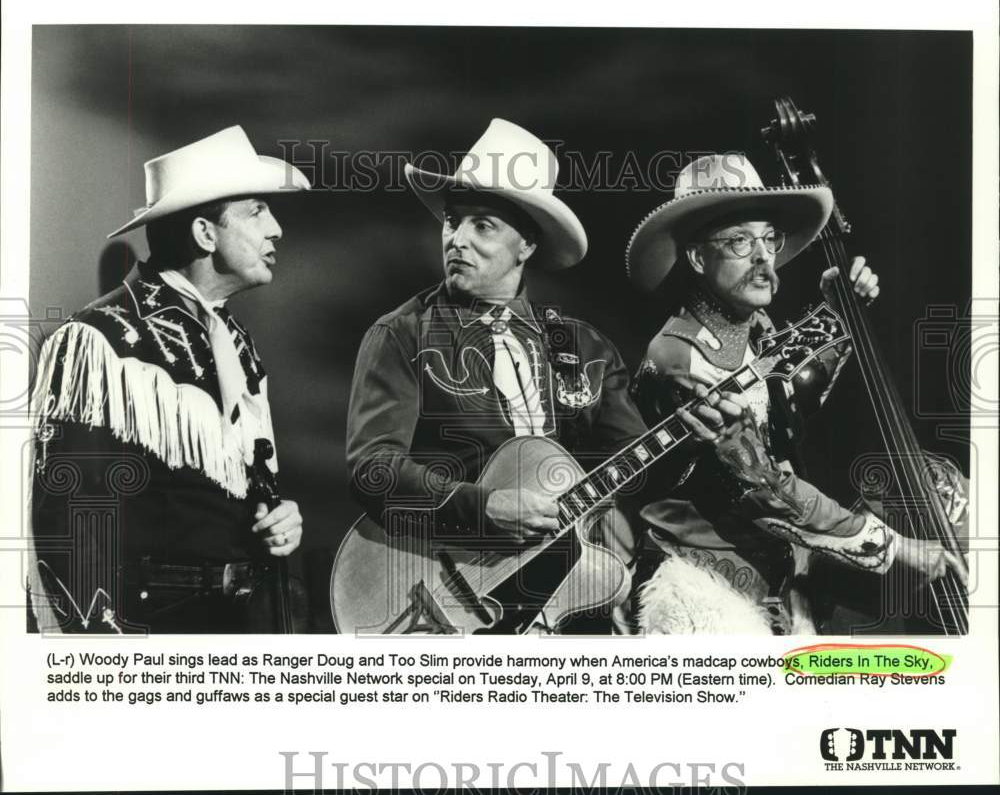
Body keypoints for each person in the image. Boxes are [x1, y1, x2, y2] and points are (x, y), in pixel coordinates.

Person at [345, 119, 743, 634]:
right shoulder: (402, 335)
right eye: (452, 221)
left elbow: (640, 474)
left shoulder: (583, 347)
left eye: (482, 225)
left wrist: (692, 434)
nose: (457, 240)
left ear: (526, 245)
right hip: (446, 594)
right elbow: (372, 470)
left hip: (562, 602)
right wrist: (484, 507)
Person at [625, 153, 967, 634]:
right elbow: (764, 487)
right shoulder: (680, 357)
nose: (764, 257)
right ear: (699, 258)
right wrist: (897, 547)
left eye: (769, 238)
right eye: (740, 241)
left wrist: (842, 315)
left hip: (776, 580)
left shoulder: (755, 329)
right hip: (701, 591)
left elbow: (789, 407)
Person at [27, 126, 309, 633]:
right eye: (256, 212)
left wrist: (280, 521)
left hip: (242, 630)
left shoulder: (235, 341)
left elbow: (233, 495)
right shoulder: (98, 341)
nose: (276, 229)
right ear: (206, 234)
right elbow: (70, 526)